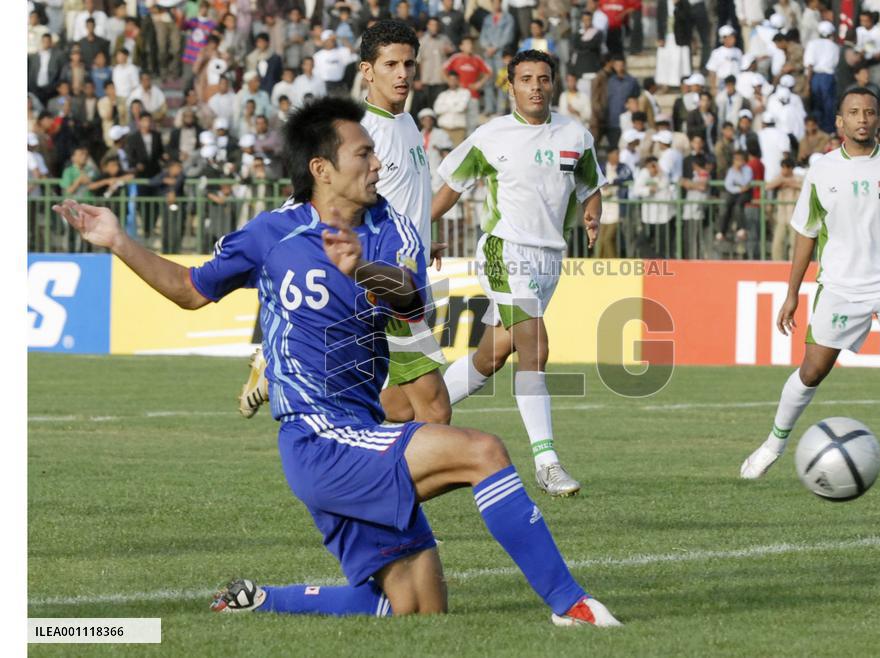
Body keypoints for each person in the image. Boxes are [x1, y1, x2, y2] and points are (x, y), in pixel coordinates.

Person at [52, 95, 620, 627]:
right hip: (317, 439)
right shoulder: (272, 233)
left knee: (419, 611)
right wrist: (119, 240)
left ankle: (259, 601)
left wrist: (363, 272)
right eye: (364, 153)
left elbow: (414, 301)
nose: (377, 164)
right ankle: (571, 607)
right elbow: (188, 288)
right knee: (483, 451)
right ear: (323, 168)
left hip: (361, 429)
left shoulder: (389, 225)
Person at [739, 87, 880, 487]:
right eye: (853, 112)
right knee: (812, 370)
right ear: (839, 121)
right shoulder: (822, 169)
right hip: (840, 285)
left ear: (879, 119)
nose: (862, 119)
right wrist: (791, 293)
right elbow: (805, 234)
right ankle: (772, 445)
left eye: (870, 112)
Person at [239, 21, 452, 427]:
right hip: (379, 286)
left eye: (409, 63)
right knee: (435, 410)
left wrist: (424, 239)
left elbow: (398, 202)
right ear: (367, 71)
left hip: (400, 276)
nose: (403, 73)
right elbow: (313, 199)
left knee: (399, 407)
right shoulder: (361, 131)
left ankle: (280, 375)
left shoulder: (406, 125)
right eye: (391, 64)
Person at [431, 50, 606, 497]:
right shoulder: (491, 136)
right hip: (504, 252)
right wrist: (413, 233)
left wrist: (592, 216)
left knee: (492, 356)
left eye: (543, 78)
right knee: (536, 346)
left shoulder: (575, 135)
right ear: (510, 87)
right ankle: (547, 463)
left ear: (554, 84)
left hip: (551, 260)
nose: (535, 86)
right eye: (525, 79)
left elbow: (591, 187)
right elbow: (450, 188)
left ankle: (417, 413)